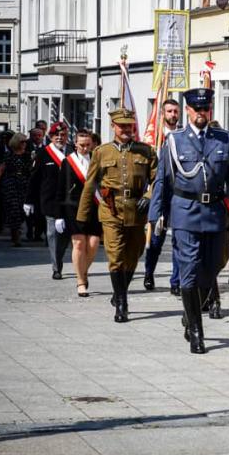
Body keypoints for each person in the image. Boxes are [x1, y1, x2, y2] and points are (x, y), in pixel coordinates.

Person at [149, 88, 229, 351]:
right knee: (189, 271)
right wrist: (157, 214)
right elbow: (163, 180)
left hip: (214, 214)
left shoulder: (222, 139)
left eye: (205, 109)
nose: (201, 113)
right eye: (196, 109)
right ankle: (197, 332)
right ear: (187, 110)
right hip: (185, 211)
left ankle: (189, 314)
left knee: (212, 268)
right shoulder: (175, 140)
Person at [77, 108, 157, 323]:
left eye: (129, 125)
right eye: (121, 126)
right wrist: (82, 216)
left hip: (137, 210)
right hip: (111, 210)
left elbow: (158, 180)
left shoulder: (146, 151)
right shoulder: (102, 152)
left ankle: (118, 292)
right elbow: (90, 183)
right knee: (115, 256)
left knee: (134, 255)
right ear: (113, 127)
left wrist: (149, 196)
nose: (126, 129)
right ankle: (122, 303)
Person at [55, 130, 102, 298]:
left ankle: (83, 271)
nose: (84, 148)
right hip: (73, 208)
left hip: (94, 207)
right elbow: (60, 189)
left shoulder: (98, 160)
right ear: (75, 144)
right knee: (79, 244)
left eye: (88, 145)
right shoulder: (68, 162)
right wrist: (59, 215)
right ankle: (81, 281)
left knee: (94, 243)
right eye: (81, 145)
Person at [144, 98, 182, 293]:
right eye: (169, 111)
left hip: (179, 195)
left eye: (175, 111)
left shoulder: (183, 135)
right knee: (156, 239)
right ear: (162, 114)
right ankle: (149, 272)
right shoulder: (154, 138)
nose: (173, 115)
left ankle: (175, 281)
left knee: (179, 239)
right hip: (159, 194)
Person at [26, 122, 73, 280]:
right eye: (56, 135)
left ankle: (58, 257)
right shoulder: (43, 153)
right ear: (51, 137)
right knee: (52, 234)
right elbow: (34, 178)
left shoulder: (73, 151)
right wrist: (29, 200)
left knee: (64, 236)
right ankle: (56, 267)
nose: (60, 138)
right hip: (50, 200)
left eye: (63, 135)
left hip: (70, 201)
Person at [0, 133, 32, 246]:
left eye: (25, 142)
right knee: (13, 209)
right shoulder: (8, 155)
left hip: (24, 184)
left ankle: (18, 230)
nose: (24, 144)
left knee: (22, 210)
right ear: (16, 142)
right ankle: (16, 236)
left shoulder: (28, 155)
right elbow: (1, 170)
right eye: (22, 142)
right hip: (11, 184)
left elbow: (32, 171)